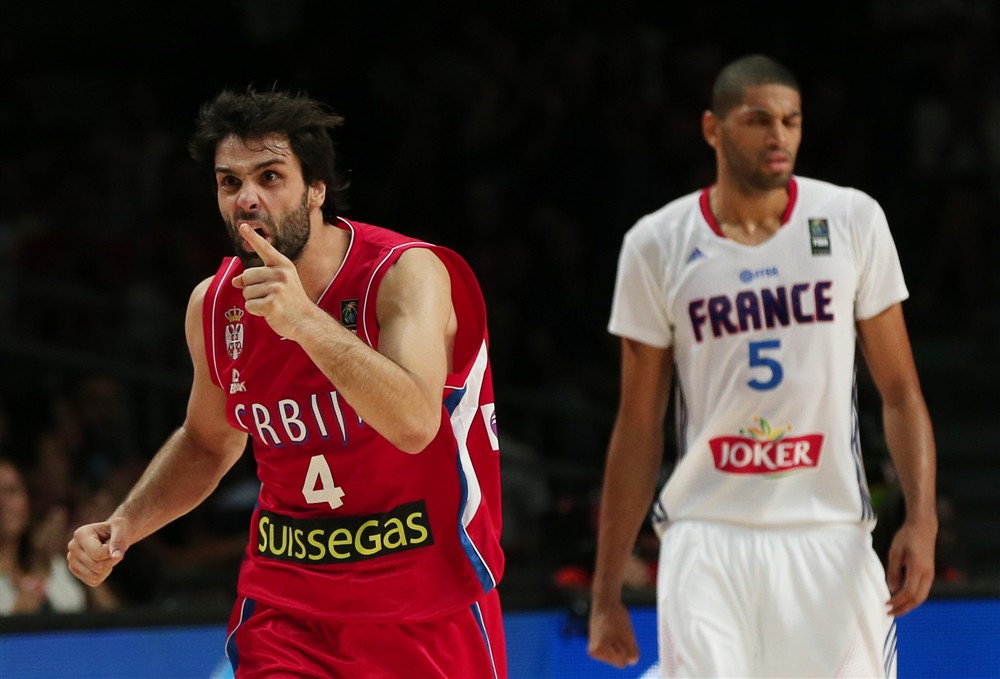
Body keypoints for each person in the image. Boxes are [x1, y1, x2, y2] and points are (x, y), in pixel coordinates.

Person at [67, 87, 507, 678]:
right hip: (289, 609)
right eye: (229, 182)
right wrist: (125, 524)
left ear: (317, 189)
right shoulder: (215, 307)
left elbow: (414, 423)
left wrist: (306, 322)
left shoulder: (406, 274)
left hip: (426, 602)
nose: (248, 198)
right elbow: (206, 441)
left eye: (270, 176)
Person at [588, 54, 937, 678]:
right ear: (713, 129)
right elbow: (637, 423)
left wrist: (922, 516)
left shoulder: (853, 219)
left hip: (827, 529)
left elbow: (901, 389)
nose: (779, 136)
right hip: (708, 529)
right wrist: (605, 589)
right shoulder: (656, 243)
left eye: (791, 121)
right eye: (758, 120)